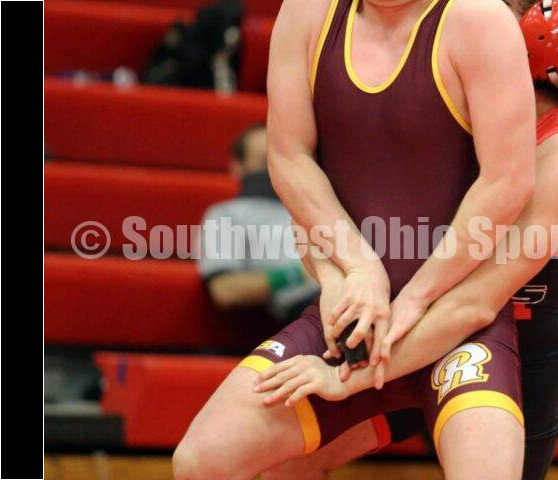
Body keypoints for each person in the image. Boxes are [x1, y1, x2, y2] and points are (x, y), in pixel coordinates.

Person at [247, 1, 558, 479]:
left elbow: (470, 304)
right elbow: (316, 219)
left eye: (512, 8)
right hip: (406, 330)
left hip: (503, 350)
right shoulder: (438, 105)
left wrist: (350, 375)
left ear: (542, 35)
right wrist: (336, 278)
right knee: (287, 465)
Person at [174, 0, 539, 475]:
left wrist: (417, 296)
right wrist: (357, 269)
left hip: (457, 329)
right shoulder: (307, 13)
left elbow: (507, 179)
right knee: (199, 462)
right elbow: (288, 157)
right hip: (349, 329)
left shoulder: (479, 19)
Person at [198, 125, 319, 323]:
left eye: (282, 160)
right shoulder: (227, 214)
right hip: (302, 310)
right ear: (238, 167)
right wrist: (301, 273)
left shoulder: (318, 208)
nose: (275, 169)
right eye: (265, 162)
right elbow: (225, 290)